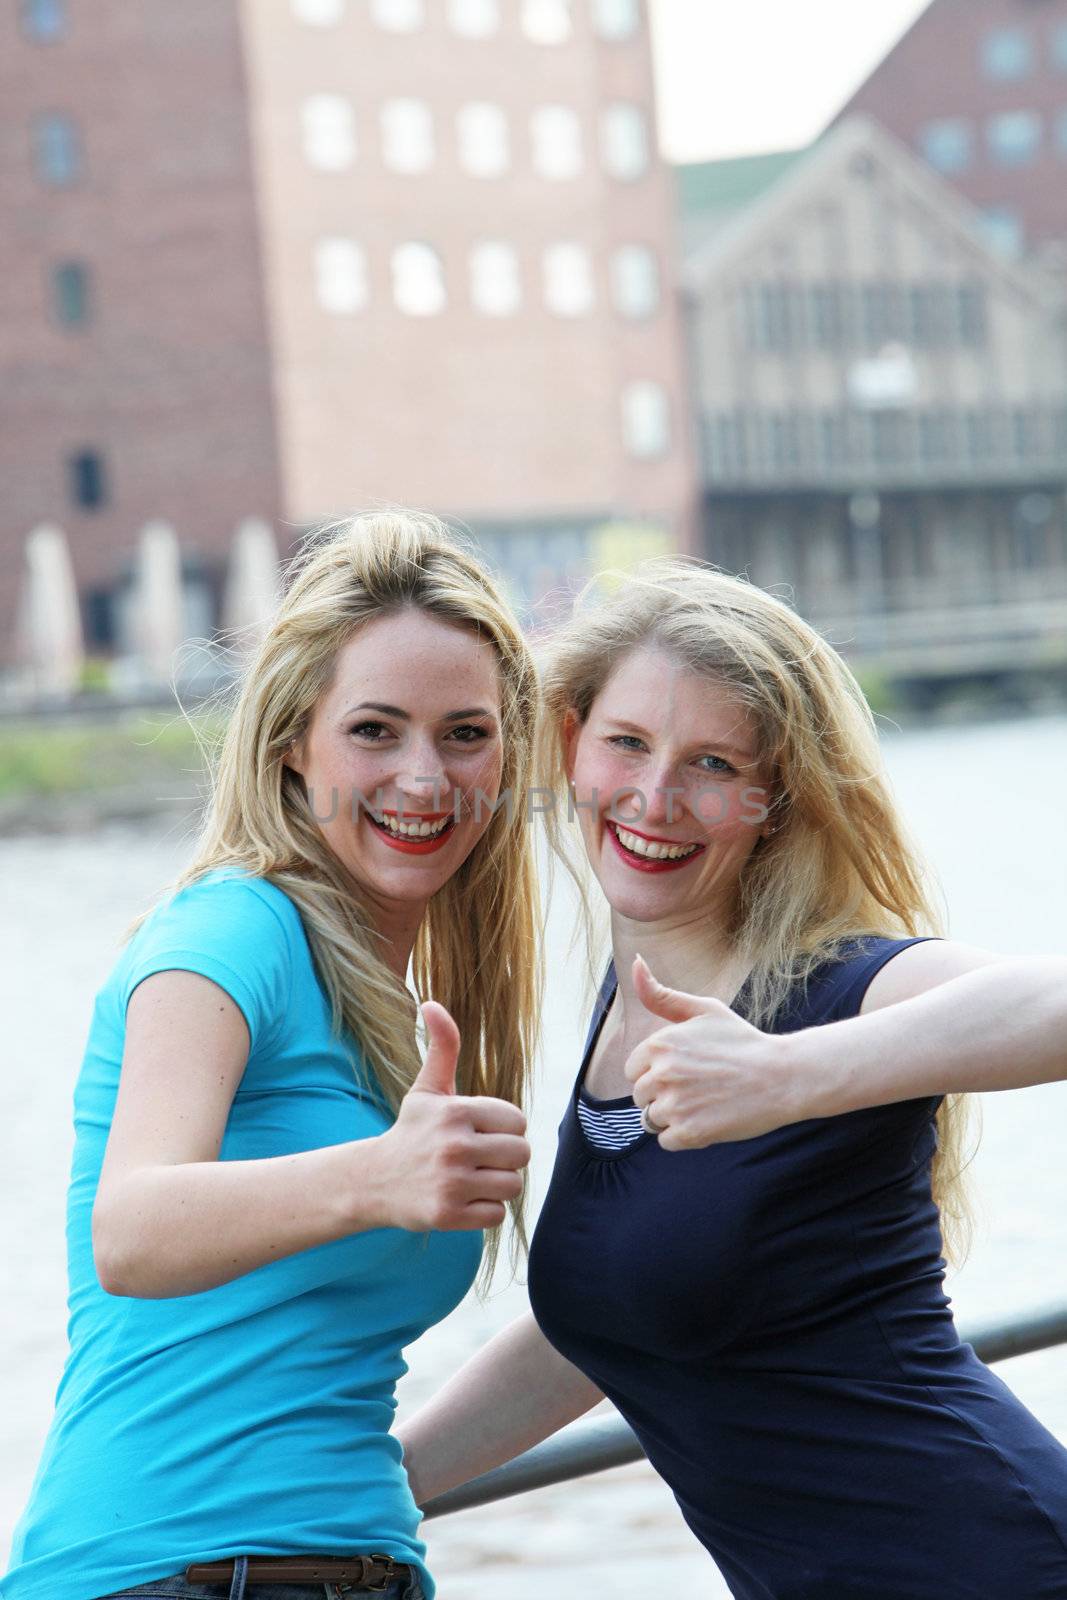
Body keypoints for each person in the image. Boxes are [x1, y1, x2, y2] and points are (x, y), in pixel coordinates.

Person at [397, 559, 1067, 1599]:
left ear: (773, 800)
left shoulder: (838, 983)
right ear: (570, 743)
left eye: (710, 762)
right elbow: (611, 1318)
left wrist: (786, 1071)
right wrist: (375, 1483)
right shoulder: (626, 1007)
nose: (654, 797)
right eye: (626, 743)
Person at [2, 512, 540, 1600]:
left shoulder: (396, 1013)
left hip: (353, 1571)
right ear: (295, 742)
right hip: (170, 1575)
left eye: (465, 733)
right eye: (375, 731)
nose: (425, 777)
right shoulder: (231, 928)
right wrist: (376, 1177)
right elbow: (133, 1228)